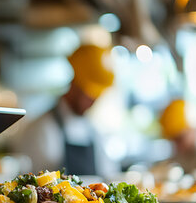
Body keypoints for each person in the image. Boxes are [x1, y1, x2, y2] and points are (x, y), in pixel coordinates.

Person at [11, 45, 118, 178]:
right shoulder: (40, 130)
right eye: (89, 94)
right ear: (75, 82)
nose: (93, 101)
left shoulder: (94, 131)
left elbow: (109, 176)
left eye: (97, 96)